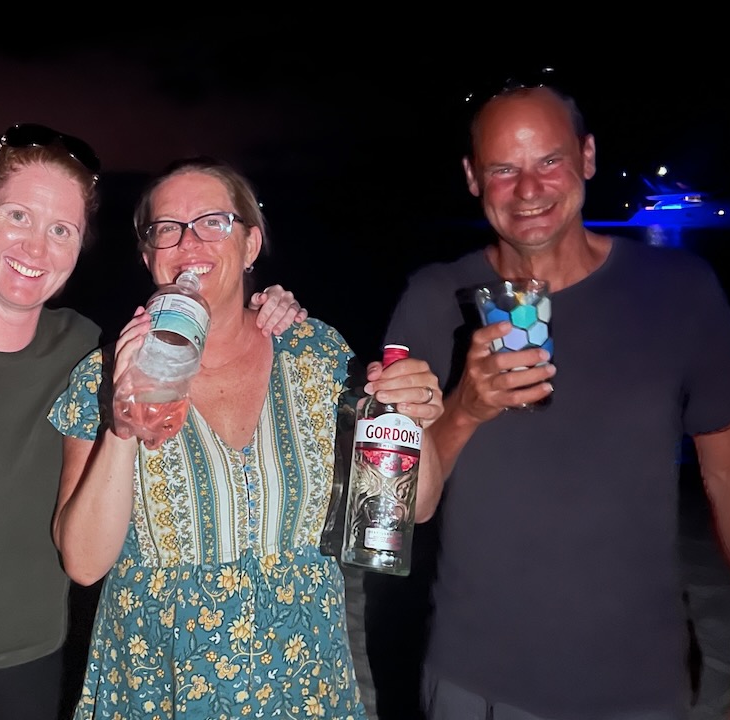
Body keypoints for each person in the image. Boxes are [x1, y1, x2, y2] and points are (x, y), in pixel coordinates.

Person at [0, 124, 309, 720]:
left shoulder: (87, 351)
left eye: (60, 230)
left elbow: (193, 336)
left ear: (78, 247)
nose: (36, 248)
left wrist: (262, 305)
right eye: (17, 215)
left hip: (33, 669)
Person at [377, 81, 730, 718]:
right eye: (503, 169)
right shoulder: (435, 300)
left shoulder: (678, 288)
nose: (529, 189)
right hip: (478, 681)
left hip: (643, 684)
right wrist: (465, 407)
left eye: (549, 160)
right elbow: (394, 509)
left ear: (588, 157)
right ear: (472, 178)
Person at [48, 156, 445, 719]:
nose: (190, 243)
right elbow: (85, 563)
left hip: (303, 681)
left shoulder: (317, 354)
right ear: (148, 256)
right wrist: (124, 415)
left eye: (214, 221)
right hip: (162, 684)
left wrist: (414, 418)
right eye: (168, 229)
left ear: (251, 244)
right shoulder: (101, 374)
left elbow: (415, 506)